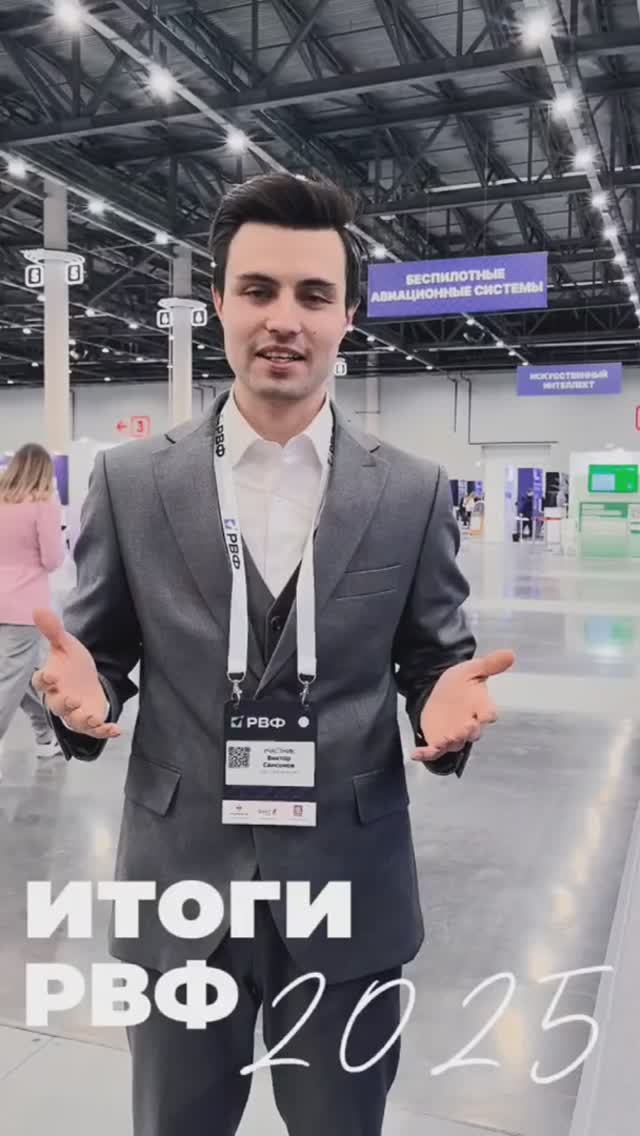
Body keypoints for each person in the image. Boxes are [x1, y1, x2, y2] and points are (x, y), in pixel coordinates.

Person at [33, 173, 515, 1136]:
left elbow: (433, 658)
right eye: (257, 290)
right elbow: (101, 653)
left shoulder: (411, 490)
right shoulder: (132, 482)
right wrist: (79, 700)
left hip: (350, 887)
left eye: (313, 294)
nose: (283, 319)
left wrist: (440, 706)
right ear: (218, 302)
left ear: (348, 316)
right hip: (181, 890)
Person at [0, 443, 65, 777]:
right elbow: (52, 559)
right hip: (24, 605)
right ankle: (46, 736)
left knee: (24, 676)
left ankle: (46, 736)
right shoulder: (43, 504)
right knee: (10, 680)